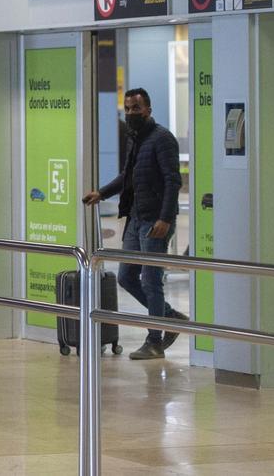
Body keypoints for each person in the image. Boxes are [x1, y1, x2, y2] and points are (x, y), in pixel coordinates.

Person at [83, 88, 188, 360]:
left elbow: (172, 181)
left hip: (155, 220)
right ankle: (169, 317)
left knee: (151, 281)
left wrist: (165, 218)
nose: (131, 113)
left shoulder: (162, 139)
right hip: (136, 218)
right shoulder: (136, 139)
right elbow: (127, 176)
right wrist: (102, 193)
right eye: (127, 109)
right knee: (126, 276)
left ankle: (155, 341)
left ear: (148, 110)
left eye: (136, 108)